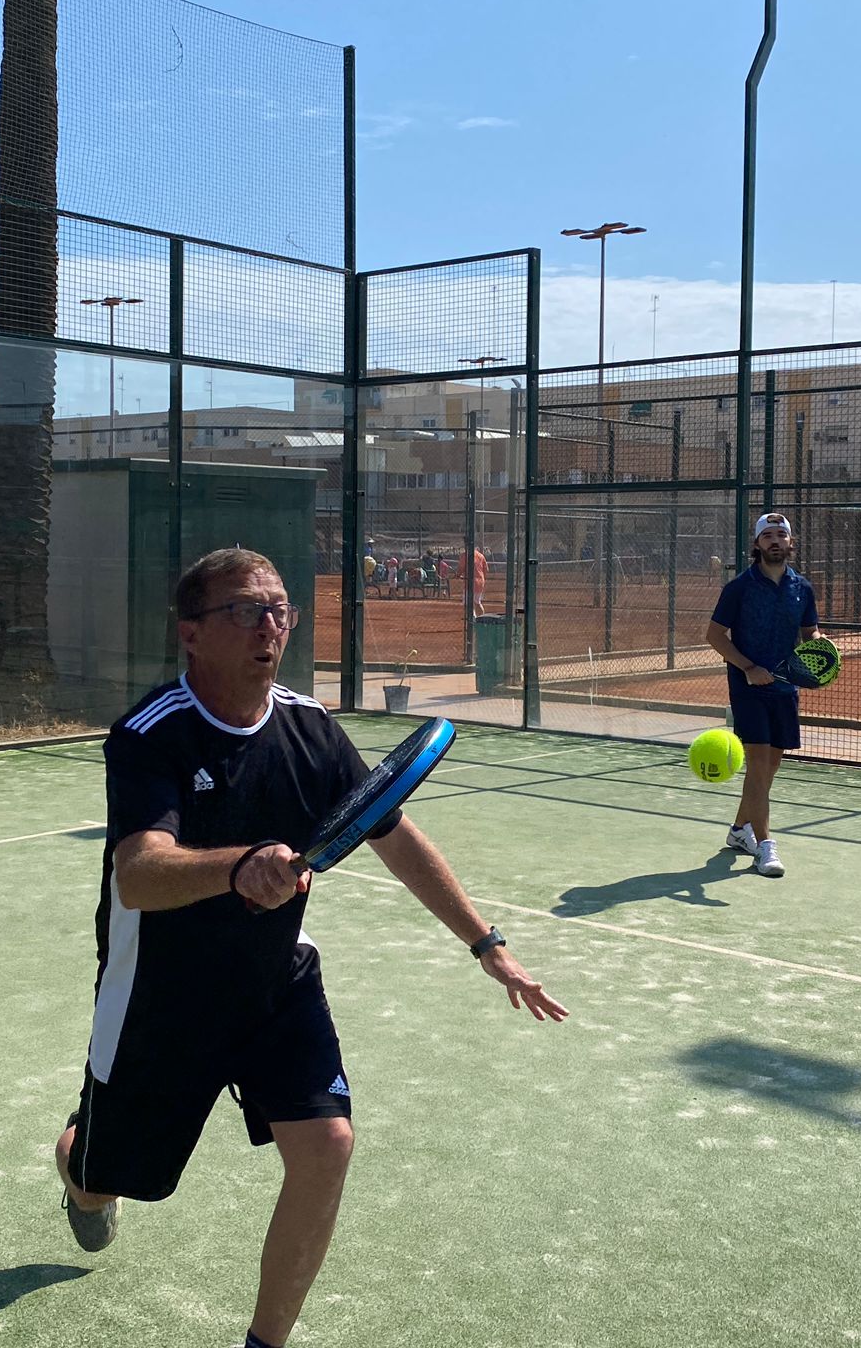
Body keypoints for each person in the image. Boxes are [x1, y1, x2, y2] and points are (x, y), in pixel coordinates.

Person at [56, 546, 566, 1348]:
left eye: (280, 609)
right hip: (164, 999)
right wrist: (239, 867)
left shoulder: (311, 728)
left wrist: (486, 943)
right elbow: (140, 874)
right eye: (244, 610)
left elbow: (392, 834)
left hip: (276, 983)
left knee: (328, 1144)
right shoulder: (151, 734)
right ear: (191, 633)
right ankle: (82, 1168)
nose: (270, 626)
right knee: (103, 1178)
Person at [703, 514, 823, 879]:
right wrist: (748, 667)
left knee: (770, 767)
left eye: (781, 535)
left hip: (786, 687)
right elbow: (715, 636)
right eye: (767, 535)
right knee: (757, 764)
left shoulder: (802, 588)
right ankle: (765, 846)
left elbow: (810, 633)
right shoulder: (739, 587)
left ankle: (740, 829)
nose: (774, 540)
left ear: (790, 543)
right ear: (757, 544)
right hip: (749, 688)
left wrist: (821, 650)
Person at [467, 545, 488, 615]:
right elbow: (486, 569)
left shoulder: (465, 555)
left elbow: (461, 567)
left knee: (468, 603)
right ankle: (481, 618)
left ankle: (472, 617)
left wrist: (458, 574)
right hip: (480, 582)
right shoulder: (481, 556)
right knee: (477, 602)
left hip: (469, 582)